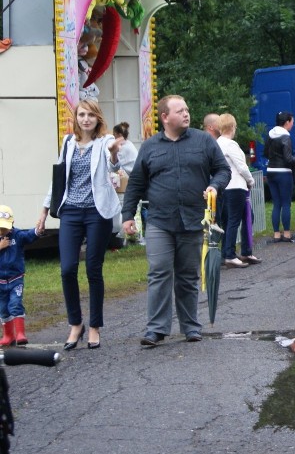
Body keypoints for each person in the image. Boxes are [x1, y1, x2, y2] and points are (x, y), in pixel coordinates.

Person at [121, 95, 231, 346]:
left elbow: (223, 170)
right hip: (160, 221)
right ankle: (156, 329)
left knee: (188, 275)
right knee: (159, 272)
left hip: (193, 219)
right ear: (164, 117)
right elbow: (137, 182)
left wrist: (214, 186)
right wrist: (128, 215)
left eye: (187, 110)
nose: (186, 114)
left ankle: (191, 326)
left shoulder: (203, 140)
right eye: (180, 111)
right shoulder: (150, 146)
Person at [36, 99, 126, 350]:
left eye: (91, 115)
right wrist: (44, 211)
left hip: (97, 213)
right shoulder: (67, 143)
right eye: (82, 114)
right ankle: (76, 323)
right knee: (67, 269)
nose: (86, 119)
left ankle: (95, 326)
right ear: (76, 118)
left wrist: (114, 153)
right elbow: (57, 180)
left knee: (93, 270)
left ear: (98, 118)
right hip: (71, 212)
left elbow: (115, 168)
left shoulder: (105, 142)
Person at [217, 114, 261, 268]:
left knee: (236, 219)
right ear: (232, 127)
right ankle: (231, 254)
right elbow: (241, 166)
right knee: (236, 220)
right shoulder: (230, 144)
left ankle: (242, 252)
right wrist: (250, 180)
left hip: (225, 187)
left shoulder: (217, 144)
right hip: (236, 186)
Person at [0, 205, 41, 347]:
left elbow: (29, 236)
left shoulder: (17, 235)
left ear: (12, 223)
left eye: (5, 227)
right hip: (0, 282)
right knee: (3, 308)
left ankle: (20, 334)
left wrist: (37, 230)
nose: (2, 231)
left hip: (15, 279)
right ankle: (8, 335)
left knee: (15, 304)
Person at [265, 111, 295, 243]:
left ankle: (276, 234)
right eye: (292, 122)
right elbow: (288, 158)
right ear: (287, 122)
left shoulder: (270, 134)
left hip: (271, 171)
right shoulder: (285, 136)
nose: (292, 125)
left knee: (276, 204)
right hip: (283, 172)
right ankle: (286, 233)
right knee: (286, 203)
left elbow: (265, 153)